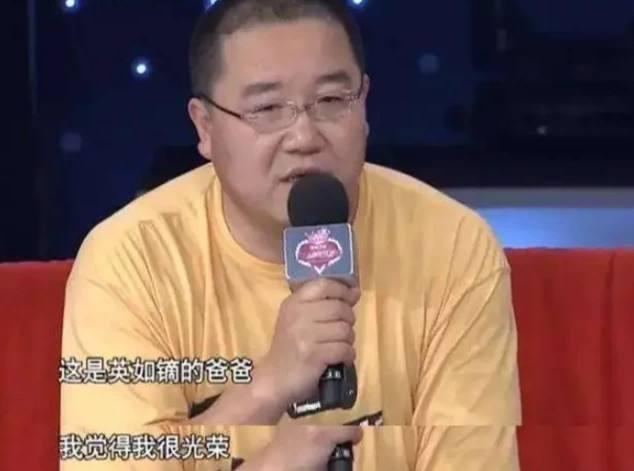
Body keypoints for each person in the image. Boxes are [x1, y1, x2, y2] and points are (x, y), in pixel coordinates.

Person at [60, 0, 522, 469]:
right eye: (266, 108)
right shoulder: (128, 262)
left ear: (363, 104)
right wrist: (265, 390)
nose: (304, 137)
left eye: (331, 101)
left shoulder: (451, 245)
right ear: (205, 127)